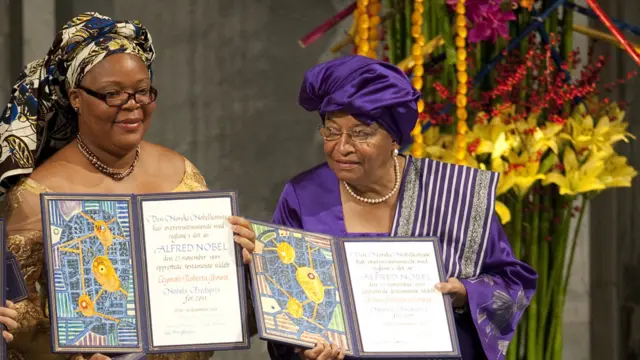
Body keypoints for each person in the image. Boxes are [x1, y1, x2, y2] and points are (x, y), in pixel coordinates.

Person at [0, 12, 256, 360]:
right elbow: (19, 324)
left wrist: (242, 263)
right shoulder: (36, 195)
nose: (133, 105)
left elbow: (213, 304)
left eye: (142, 92)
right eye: (113, 94)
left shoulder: (183, 174)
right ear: (76, 98)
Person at [266, 55, 538, 360]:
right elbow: (284, 308)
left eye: (360, 133)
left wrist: (465, 293)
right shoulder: (303, 197)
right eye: (331, 131)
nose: (341, 147)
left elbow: (511, 283)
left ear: (394, 137)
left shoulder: (450, 193)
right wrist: (306, 351)